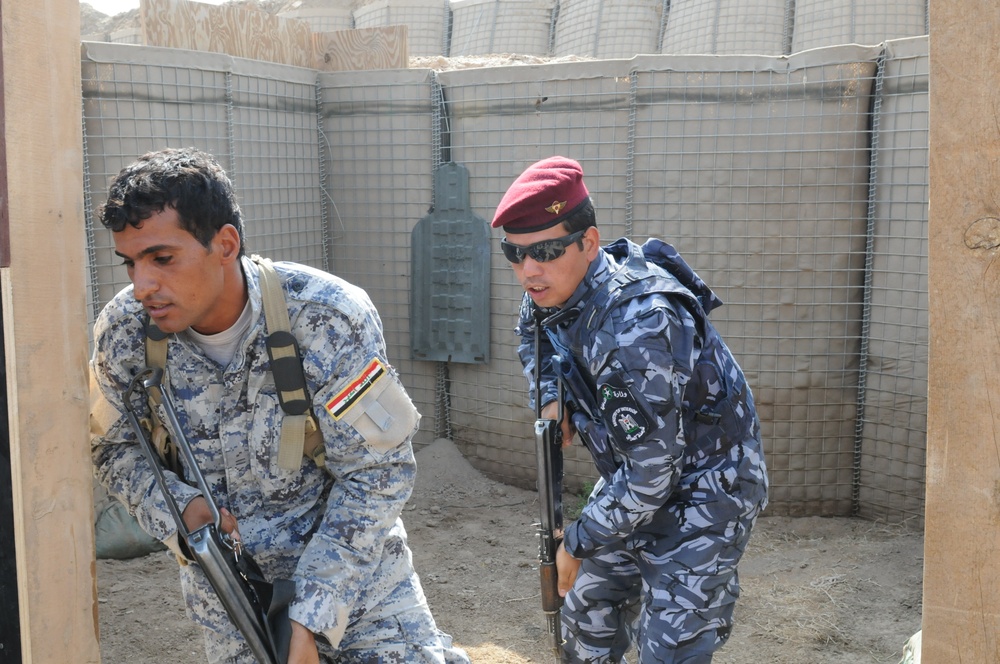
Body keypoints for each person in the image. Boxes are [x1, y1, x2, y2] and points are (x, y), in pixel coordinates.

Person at [90, 147, 470, 664]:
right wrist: (176, 508)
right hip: (232, 601)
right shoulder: (124, 335)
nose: (141, 286)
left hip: (358, 590)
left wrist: (311, 614)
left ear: (224, 244)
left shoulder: (328, 318)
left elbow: (379, 474)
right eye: (129, 263)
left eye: (162, 259)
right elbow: (111, 448)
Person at [493, 156, 769, 663]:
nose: (529, 270)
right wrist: (551, 396)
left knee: (669, 647)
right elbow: (529, 334)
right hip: (639, 475)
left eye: (547, 251)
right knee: (585, 608)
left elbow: (651, 476)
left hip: (707, 489)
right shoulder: (549, 291)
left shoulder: (638, 327)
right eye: (515, 253)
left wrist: (576, 543)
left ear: (589, 242)